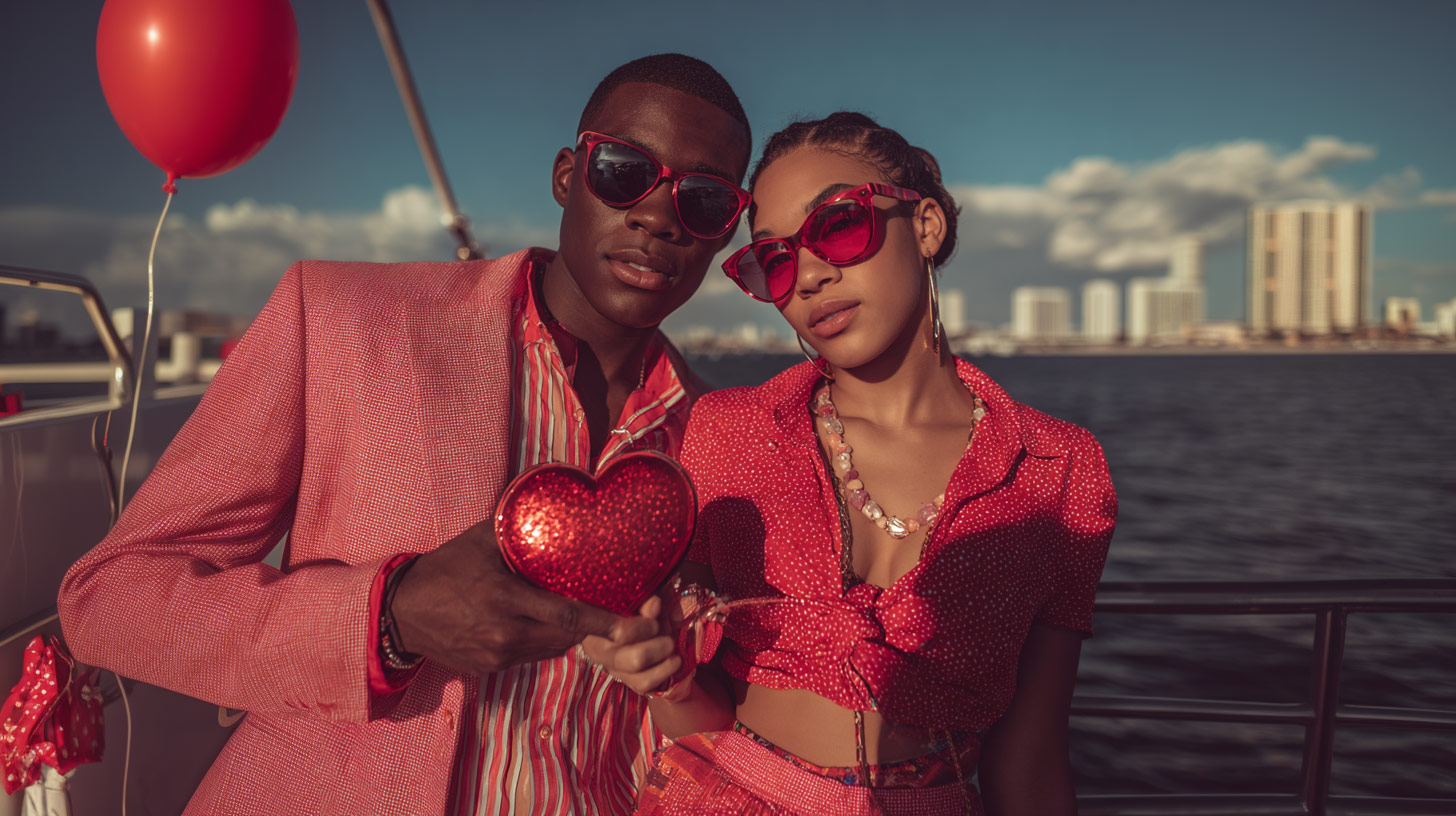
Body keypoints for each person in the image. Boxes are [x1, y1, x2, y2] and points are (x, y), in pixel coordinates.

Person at [56, 54, 752, 816]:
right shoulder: (341, 318)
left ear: (727, 230)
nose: (657, 215)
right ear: (566, 175)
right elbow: (109, 600)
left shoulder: (721, 440)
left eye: (705, 199)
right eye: (623, 170)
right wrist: (389, 619)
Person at [584, 112, 1117, 815]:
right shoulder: (729, 432)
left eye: (837, 225)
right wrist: (670, 681)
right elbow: (699, 720)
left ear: (925, 226)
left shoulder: (1060, 469)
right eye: (773, 259)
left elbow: (1034, 753)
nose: (806, 276)